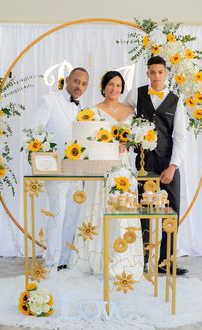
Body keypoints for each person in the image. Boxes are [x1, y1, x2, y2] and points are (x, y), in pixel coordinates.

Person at [70, 71, 144, 280]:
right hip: (100, 165)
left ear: (122, 89)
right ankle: (94, 257)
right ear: (104, 86)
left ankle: (122, 257)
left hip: (122, 166)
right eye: (110, 85)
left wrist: (127, 143)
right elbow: (86, 140)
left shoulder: (130, 110)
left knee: (122, 206)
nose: (114, 89)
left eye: (118, 86)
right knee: (98, 205)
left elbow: (135, 138)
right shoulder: (92, 111)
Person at [126, 56, 188, 275]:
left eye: (160, 72)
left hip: (168, 162)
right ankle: (141, 259)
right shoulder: (136, 94)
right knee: (143, 211)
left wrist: (173, 166)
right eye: (152, 72)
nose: (156, 76)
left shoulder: (175, 100)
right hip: (144, 163)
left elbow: (180, 136)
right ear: (147, 73)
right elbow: (124, 120)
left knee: (171, 212)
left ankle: (166, 261)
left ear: (166, 73)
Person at [30, 67, 89, 270]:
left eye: (83, 84)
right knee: (57, 213)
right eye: (76, 81)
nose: (79, 86)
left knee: (72, 215)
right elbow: (35, 130)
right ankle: (51, 262)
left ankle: (64, 260)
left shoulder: (83, 109)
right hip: (55, 169)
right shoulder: (50, 99)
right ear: (67, 80)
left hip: (77, 171)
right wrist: (41, 157)